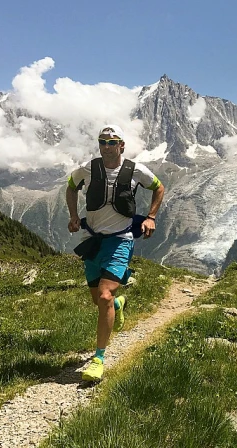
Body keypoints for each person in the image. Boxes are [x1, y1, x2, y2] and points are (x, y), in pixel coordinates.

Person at [66, 124, 165, 381]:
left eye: (112, 142)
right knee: (98, 301)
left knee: (105, 295)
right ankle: (119, 306)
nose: (107, 147)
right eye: (103, 142)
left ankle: (98, 359)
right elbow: (70, 186)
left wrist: (151, 217)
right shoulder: (88, 169)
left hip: (121, 240)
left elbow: (159, 187)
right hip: (93, 239)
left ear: (122, 145)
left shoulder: (136, 171)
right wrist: (74, 216)